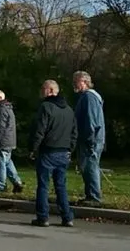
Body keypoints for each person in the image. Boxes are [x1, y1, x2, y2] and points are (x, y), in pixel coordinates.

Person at [28, 79, 76, 228]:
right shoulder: (69, 109)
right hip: (64, 152)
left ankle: (43, 217)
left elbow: (39, 130)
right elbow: (74, 133)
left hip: (48, 151)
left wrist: (32, 148)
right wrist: (70, 149)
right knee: (60, 185)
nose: (41, 92)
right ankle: (67, 217)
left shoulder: (46, 107)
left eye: (43, 88)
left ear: (50, 90)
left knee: (43, 185)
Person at [72, 71, 105, 206]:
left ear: (84, 81)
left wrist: (89, 139)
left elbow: (91, 120)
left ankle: (94, 196)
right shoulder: (89, 97)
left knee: (90, 166)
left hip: (90, 139)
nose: (74, 84)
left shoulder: (88, 97)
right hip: (92, 138)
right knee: (88, 167)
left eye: (76, 81)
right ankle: (90, 195)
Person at [0, 89, 24, 194]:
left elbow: (1, 127)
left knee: (0, 164)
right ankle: (17, 182)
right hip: (10, 141)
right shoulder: (8, 108)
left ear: (0, 97)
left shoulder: (0, 109)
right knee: (8, 162)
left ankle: (1, 186)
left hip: (2, 142)